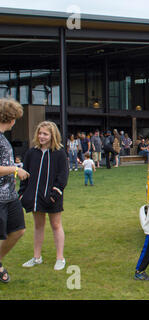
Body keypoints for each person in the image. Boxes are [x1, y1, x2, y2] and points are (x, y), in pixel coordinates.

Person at [19, 121, 69, 270]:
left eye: (45, 134)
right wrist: (22, 194)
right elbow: (25, 175)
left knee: (56, 225)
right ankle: (36, 257)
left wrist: (54, 194)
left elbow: (63, 177)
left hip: (52, 197)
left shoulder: (59, 153)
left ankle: (60, 258)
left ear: (52, 135)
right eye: (40, 133)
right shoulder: (31, 153)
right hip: (34, 197)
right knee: (38, 226)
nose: (41, 136)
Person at [0, 98, 30, 283]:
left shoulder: (3, 138)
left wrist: (14, 166)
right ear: (10, 118)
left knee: (18, 230)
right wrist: (15, 169)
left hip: (10, 195)